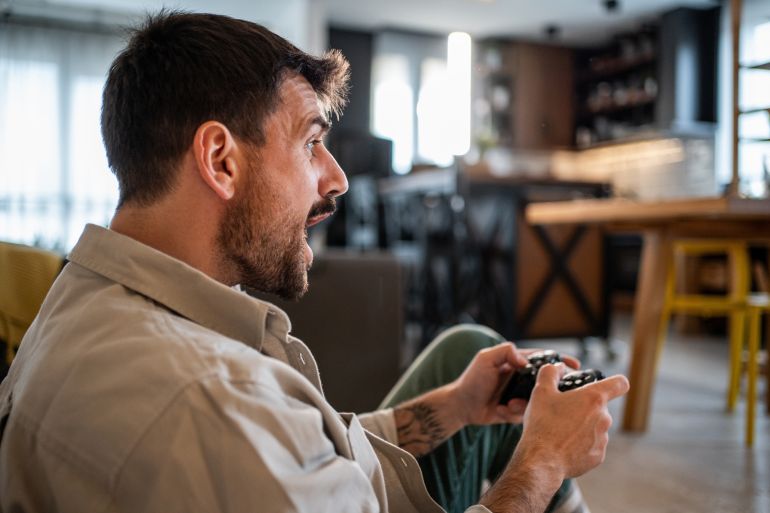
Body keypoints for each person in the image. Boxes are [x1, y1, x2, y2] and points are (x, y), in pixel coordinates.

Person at [0, 11, 629, 513]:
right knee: (529, 443)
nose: (338, 178)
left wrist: (462, 404)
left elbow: (315, 449)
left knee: (466, 349)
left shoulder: (86, 299)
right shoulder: (212, 404)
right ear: (221, 160)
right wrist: (542, 463)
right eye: (311, 143)